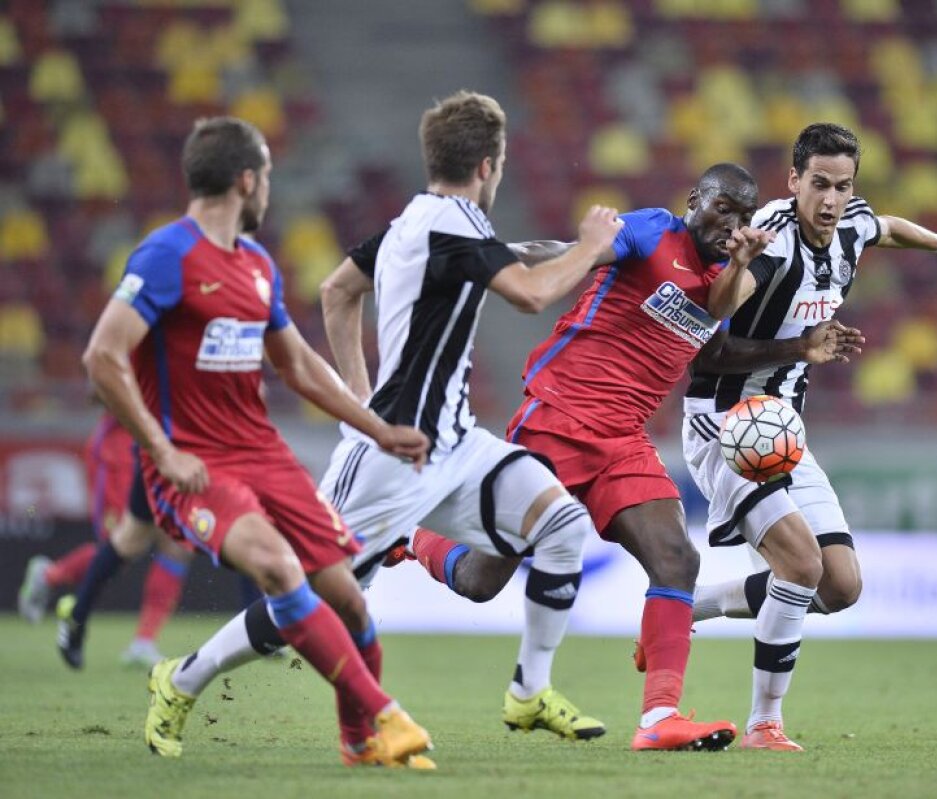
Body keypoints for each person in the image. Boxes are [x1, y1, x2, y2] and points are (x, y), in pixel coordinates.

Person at [140, 91, 626, 753]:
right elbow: (533, 293)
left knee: (562, 526)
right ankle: (183, 678)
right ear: (489, 166)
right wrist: (594, 245)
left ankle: (528, 692)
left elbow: (337, 290)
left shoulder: (412, 223)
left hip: (453, 443)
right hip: (393, 458)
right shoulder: (454, 226)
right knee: (310, 599)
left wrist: (357, 391)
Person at [381, 162, 856, 751]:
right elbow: (562, 248)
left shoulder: (724, 281)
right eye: (721, 208)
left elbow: (717, 353)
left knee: (678, 559)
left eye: (742, 216)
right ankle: (408, 535)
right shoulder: (653, 232)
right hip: (559, 417)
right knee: (481, 580)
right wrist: (482, 255)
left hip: (624, 437)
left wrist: (798, 347)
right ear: (695, 200)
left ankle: (659, 718)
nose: (730, 223)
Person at [82, 115, 434, 769]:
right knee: (278, 569)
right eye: (267, 175)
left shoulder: (257, 264)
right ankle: (386, 713)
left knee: (350, 597)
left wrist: (378, 427)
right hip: (194, 463)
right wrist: (162, 450)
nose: (268, 188)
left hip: (264, 453)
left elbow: (297, 365)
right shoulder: (167, 255)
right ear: (248, 180)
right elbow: (103, 356)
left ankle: (358, 741)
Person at [679, 122, 937, 751]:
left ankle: (687, 606)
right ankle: (764, 725)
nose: (829, 200)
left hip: (782, 424)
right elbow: (705, 353)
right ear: (793, 180)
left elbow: (887, 227)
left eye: (842, 187)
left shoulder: (850, 222)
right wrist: (797, 341)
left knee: (839, 586)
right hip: (727, 425)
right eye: (817, 184)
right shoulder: (768, 247)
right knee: (799, 562)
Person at [19, 413, 193, 669]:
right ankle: (51, 576)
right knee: (124, 543)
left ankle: (143, 642)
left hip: (174, 448)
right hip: (123, 450)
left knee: (178, 544)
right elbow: (100, 389)